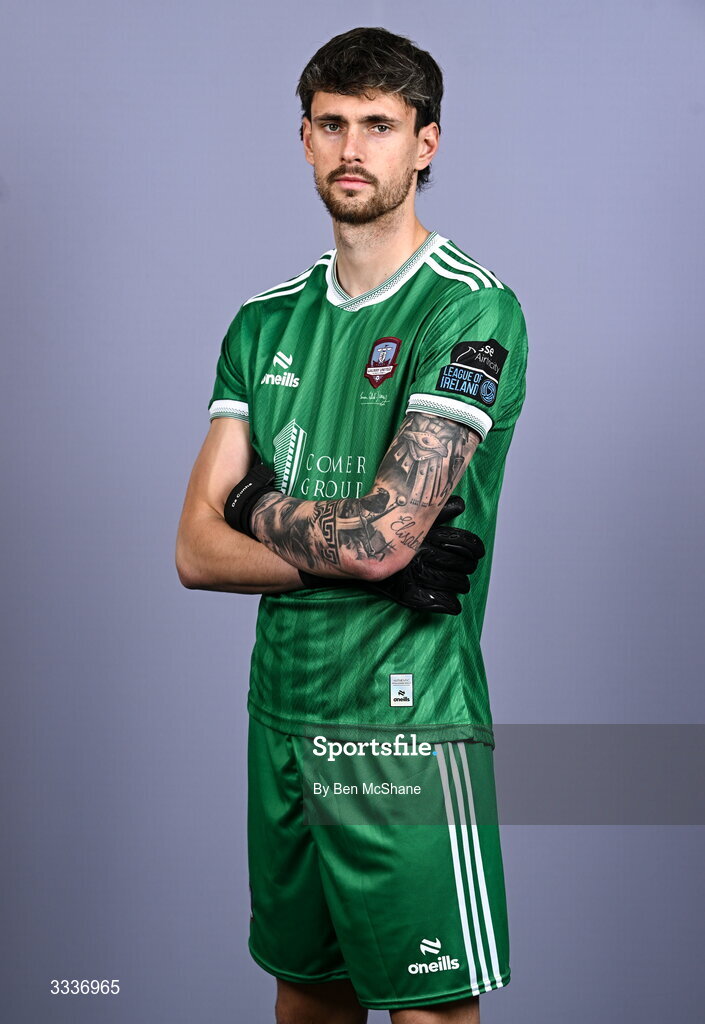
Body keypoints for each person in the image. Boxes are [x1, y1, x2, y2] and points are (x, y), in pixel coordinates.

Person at [176, 26, 528, 1024]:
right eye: (332, 124)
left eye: (379, 125)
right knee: (309, 997)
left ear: (427, 143)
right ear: (302, 139)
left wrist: (252, 504)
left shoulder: (471, 312)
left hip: (405, 726)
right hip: (282, 712)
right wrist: (356, 555)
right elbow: (195, 550)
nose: (351, 149)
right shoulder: (263, 323)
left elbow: (385, 536)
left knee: (428, 1010)